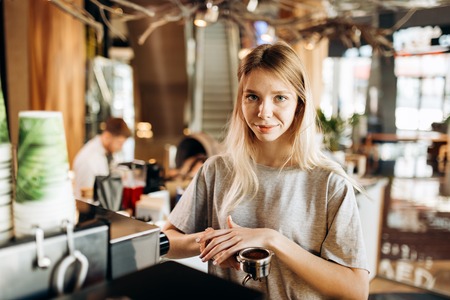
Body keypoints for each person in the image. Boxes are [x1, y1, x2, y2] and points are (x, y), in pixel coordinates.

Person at [162, 41, 369, 299]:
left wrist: (272, 240)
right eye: (253, 97)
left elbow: (356, 290)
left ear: (299, 104)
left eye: (280, 97)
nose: (263, 112)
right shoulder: (216, 170)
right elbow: (164, 242)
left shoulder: (329, 182)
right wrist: (214, 242)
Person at [73, 117, 131, 199]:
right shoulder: (88, 160)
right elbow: (85, 198)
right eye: (119, 143)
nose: (120, 148)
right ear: (107, 136)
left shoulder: (108, 152)